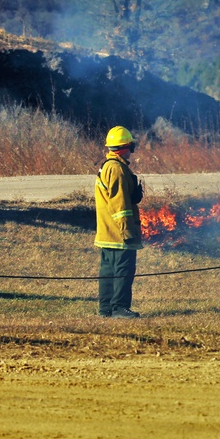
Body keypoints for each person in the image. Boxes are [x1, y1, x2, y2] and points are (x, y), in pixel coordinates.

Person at [94, 126, 144, 318]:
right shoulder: (117, 170)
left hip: (107, 231)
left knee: (108, 270)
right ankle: (119, 308)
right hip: (119, 233)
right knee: (124, 270)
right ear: (124, 147)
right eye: (131, 146)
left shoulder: (108, 166)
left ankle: (106, 308)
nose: (132, 150)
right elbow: (120, 204)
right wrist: (127, 231)